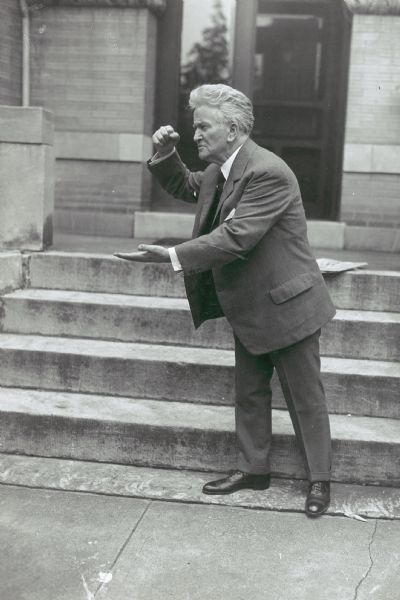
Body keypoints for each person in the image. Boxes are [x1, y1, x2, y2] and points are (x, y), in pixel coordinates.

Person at [115, 84, 336, 518]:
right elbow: (186, 184)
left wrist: (174, 255)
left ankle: (320, 480)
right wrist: (165, 154)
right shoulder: (221, 170)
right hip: (252, 304)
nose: (195, 133)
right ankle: (254, 470)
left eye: (203, 126)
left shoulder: (268, 171)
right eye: (193, 125)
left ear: (232, 129)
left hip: (289, 305)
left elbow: (237, 238)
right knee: (249, 392)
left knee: (304, 396)